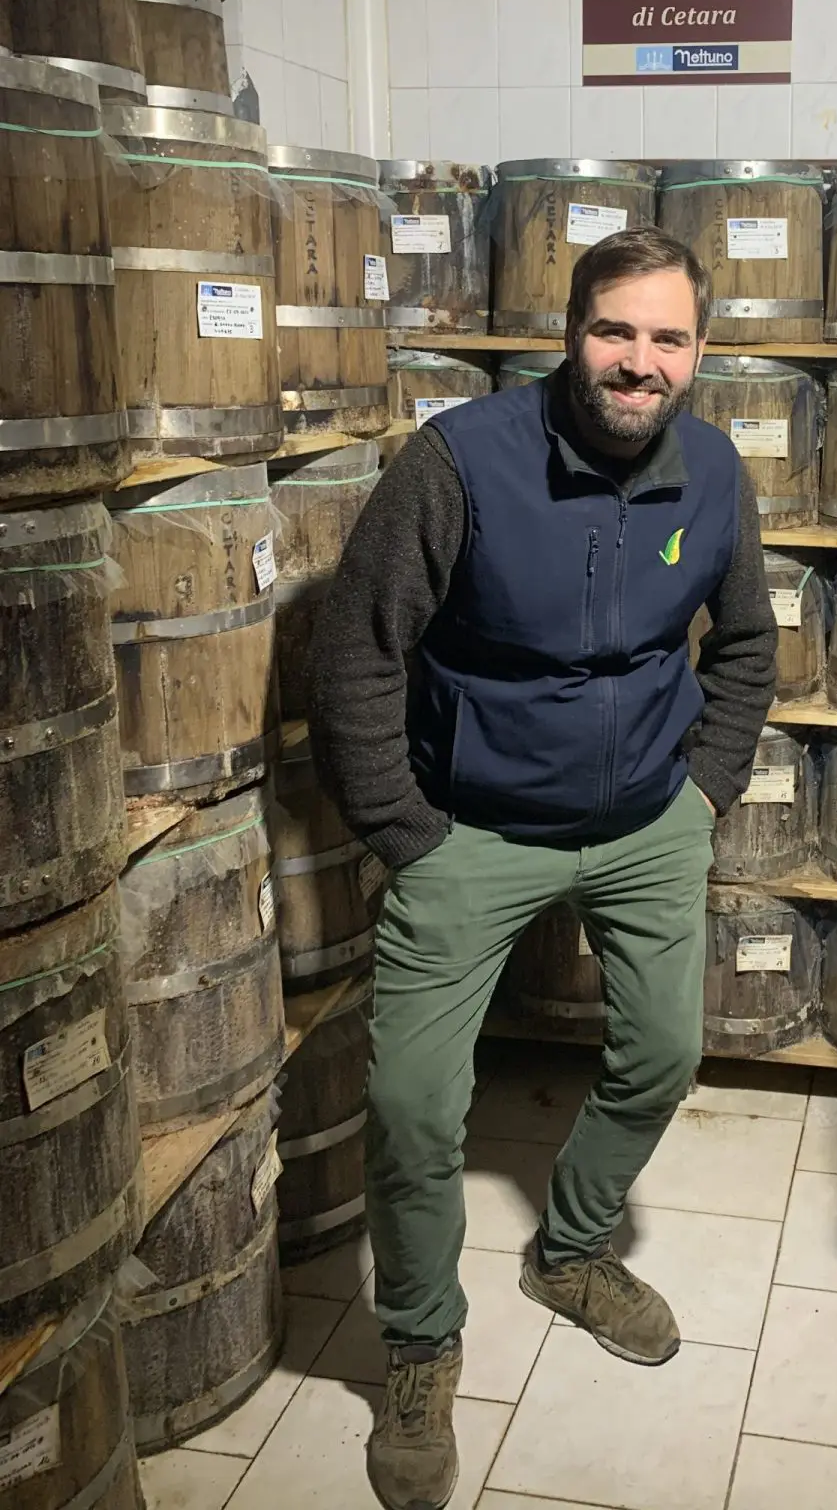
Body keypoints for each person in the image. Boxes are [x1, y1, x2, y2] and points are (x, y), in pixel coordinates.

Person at [309, 228, 776, 1510]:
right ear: (571, 334)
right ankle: (420, 1345)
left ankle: (569, 1250)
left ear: (699, 351)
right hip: (473, 831)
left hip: (647, 823)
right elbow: (356, 651)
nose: (639, 361)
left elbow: (746, 646)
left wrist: (705, 792)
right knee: (413, 1105)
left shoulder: (714, 473)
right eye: (616, 331)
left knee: (664, 1054)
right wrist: (405, 828)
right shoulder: (459, 462)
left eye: (668, 338)